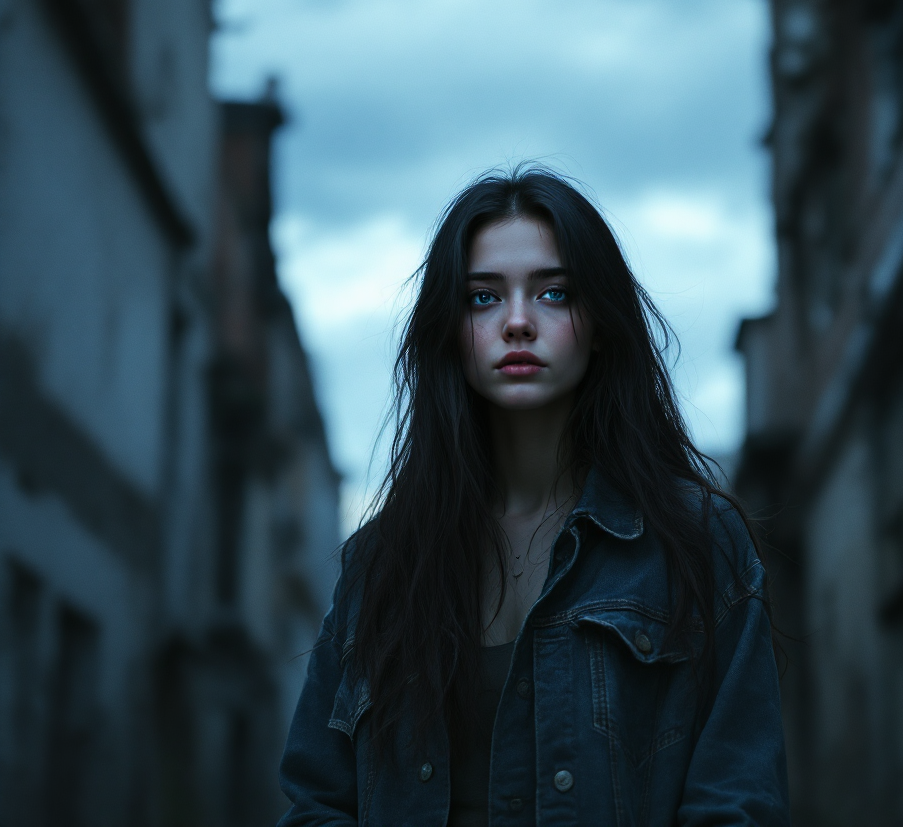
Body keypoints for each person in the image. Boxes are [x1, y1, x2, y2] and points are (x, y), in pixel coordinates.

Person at [278, 167, 789, 827]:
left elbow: (737, 804)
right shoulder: (382, 562)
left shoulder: (697, 539)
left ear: (600, 322)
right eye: (483, 299)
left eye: (553, 293)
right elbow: (318, 800)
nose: (518, 322)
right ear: (450, 332)